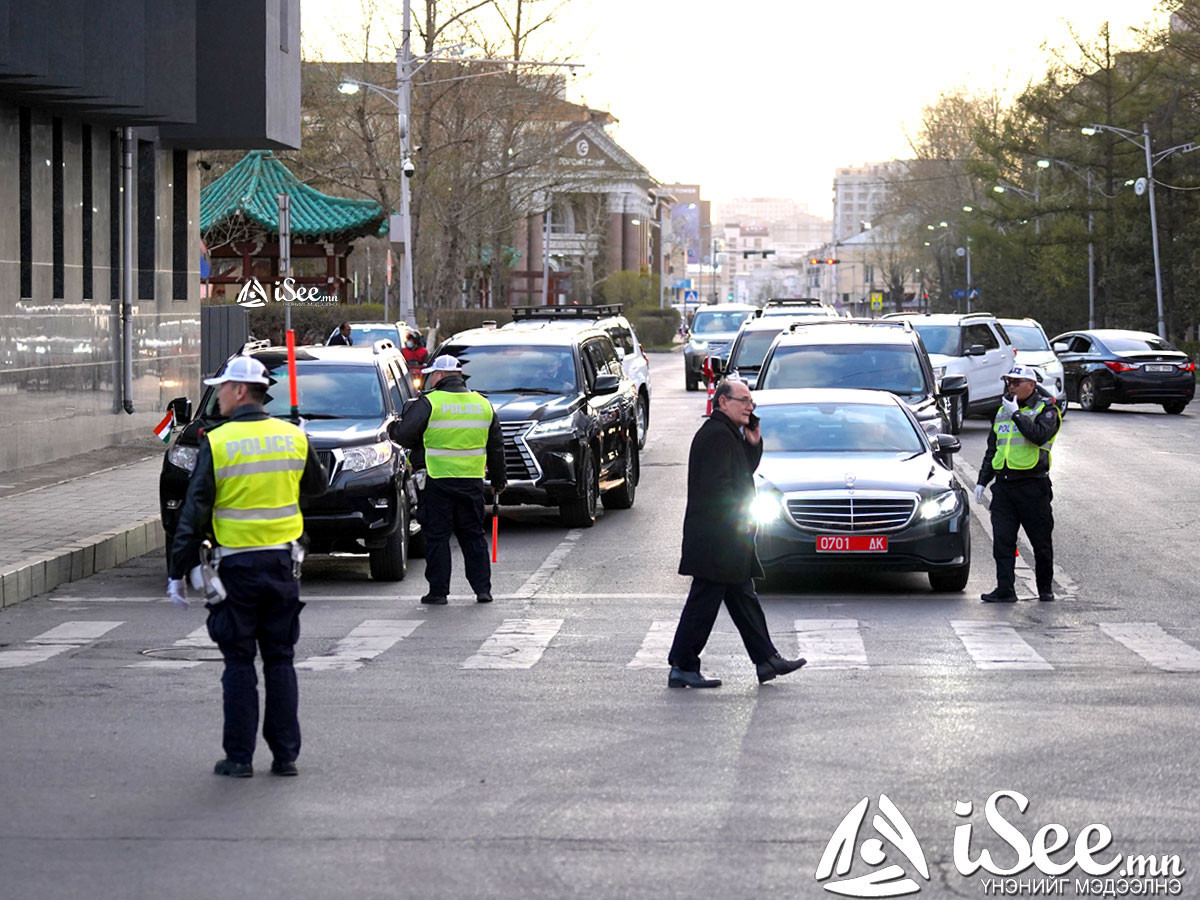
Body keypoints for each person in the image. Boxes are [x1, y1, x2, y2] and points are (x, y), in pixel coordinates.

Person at [167, 356, 327, 777]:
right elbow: (318, 486)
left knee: (239, 663)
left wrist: (177, 569)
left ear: (240, 391)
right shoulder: (291, 437)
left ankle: (239, 758)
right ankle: (286, 756)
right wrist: (303, 444)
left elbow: (195, 510)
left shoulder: (218, 442)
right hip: (282, 566)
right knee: (279, 659)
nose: (218, 394)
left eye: (222, 387)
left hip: (236, 570)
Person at [667, 378, 807, 687]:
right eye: (743, 400)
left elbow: (740, 472)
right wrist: (736, 528)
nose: (750, 406)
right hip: (719, 540)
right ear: (723, 402)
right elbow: (719, 489)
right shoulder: (716, 436)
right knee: (703, 606)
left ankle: (766, 660)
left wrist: (752, 443)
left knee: (743, 600)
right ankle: (683, 665)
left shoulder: (727, 434)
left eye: (751, 401)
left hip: (724, 540)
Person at [389, 355, 506, 604]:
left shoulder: (430, 403)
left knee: (438, 537)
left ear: (440, 375)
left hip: (437, 479)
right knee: (473, 535)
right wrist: (499, 480)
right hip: (472, 481)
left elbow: (403, 435)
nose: (430, 378)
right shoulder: (482, 404)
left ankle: (439, 592)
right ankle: (482, 590)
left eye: (432, 374)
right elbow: (496, 446)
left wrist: (393, 430)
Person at [974, 364, 1062, 603]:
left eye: (1015, 383)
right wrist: (982, 481)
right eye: (1008, 382)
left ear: (1031, 385)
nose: (1010, 387)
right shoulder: (1002, 410)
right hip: (1004, 487)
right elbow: (994, 448)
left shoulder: (1047, 409)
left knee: (1040, 543)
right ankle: (1005, 589)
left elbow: (1038, 435)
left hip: (1033, 486)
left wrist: (1016, 414)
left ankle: (1045, 589)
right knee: (1002, 542)